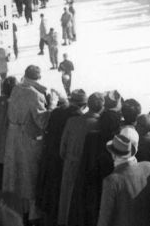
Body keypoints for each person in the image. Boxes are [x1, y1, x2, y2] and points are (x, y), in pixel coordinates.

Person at [3, 66, 57, 223]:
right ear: (38, 78)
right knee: (30, 177)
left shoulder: (16, 88)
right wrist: (52, 104)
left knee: (14, 175)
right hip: (27, 139)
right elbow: (43, 121)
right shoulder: (35, 95)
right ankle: (33, 215)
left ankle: (16, 211)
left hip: (12, 137)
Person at [58, 92, 104, 225]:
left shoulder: (72, 121)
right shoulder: (99, 125)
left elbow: (62, 150)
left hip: (70, 164)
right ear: (101, 107)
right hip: (87, 170)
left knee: (67, 200)